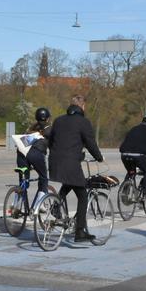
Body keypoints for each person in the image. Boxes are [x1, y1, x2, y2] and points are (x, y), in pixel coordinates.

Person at [47, 94, 104, 243]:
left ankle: (56, 205)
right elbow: (90, 142)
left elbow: (51, 140)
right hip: (70, 162)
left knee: (70, 181)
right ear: (82, 106)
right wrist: (99, 157)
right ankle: (80, 232)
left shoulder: (59, 120)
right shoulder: (83, 122)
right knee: (83, 195)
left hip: (54, 162)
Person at [119, 116, 146, 199]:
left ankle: (125, 190)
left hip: (124, 155)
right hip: (139, 156)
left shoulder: (133, 129)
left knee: (131, 171)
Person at [16, 107, 51, 207]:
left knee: (23, 181)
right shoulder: (49, 128)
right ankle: (37, 207)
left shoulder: (30, 128)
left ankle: (19, 206)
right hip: (36, 154)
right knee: (43, 178)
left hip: (21, 154)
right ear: (48, 118)